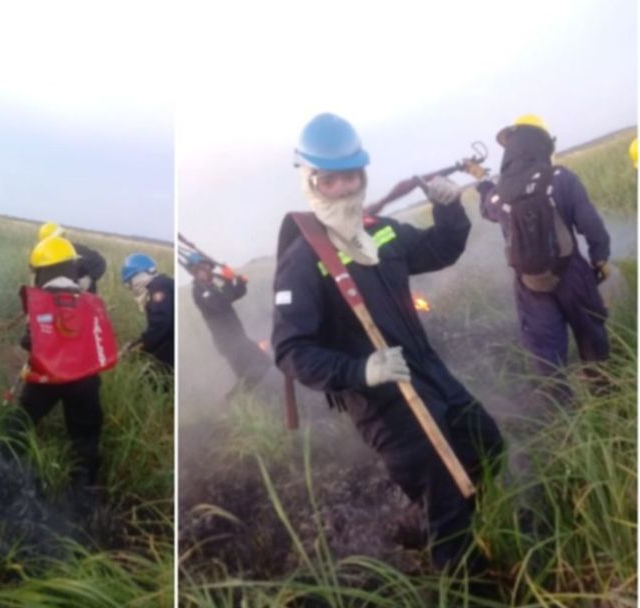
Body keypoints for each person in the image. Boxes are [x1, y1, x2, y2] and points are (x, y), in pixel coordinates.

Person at [271, 113, 503, 569]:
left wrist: (450, 210)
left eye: (350, 176)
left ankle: (443, 525)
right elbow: (288, 350)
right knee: (447, 498)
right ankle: (466, 603)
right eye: (327, 179)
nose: (342, 188)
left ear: (363, 174)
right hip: (385, 403)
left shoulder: (381, 230)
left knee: (488, 445)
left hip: (429, 371)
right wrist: (362, 370)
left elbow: (439, 250)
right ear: (309, 181)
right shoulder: (302, 261)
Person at [476, 115, 612, 390]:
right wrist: (600, 258)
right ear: (542, 144)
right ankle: (604, 392)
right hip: (572, 273)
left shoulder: (498, 193)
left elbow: (487, 210)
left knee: (545, 351)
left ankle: (562, 412)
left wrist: (482, 182)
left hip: (529, 284)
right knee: (591, 333)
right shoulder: (560, 177)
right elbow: (591, 225)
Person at [10, 236, 115, 503]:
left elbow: (30, 341)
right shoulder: (90, 301)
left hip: (47, 378)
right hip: (86, 381)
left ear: (43, 270)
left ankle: (6, 468)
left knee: (20, 425)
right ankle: (85, 493)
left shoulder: (41, 300)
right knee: (86, 437)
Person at [183, 253, 270, 394]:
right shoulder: (199, 291)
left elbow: (235, 294)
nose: (208, 270)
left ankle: (238, 401)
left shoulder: (211, 287)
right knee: (259, 366)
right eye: (203, 268)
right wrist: (229, 282)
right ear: (195, 271)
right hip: (229, 342)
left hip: (237, 338)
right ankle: (233, 402)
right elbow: (221, 303)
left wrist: (240, 284)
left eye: (209, 267)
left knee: (254, 370)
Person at [119, 253, 175, 379]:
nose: (130, 288)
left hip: (172, 346)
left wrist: (139, 348)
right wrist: (137, 343)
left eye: (129, 283)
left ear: (136, 277)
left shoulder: (157, 288)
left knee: (151, 381)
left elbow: (161, 324)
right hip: (171, 343)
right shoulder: (163, 284)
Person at [37, 222, 107, 293]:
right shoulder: (43, 257)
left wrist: (88, 278)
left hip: (82, 297)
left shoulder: (77, 250)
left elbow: (100, 262)